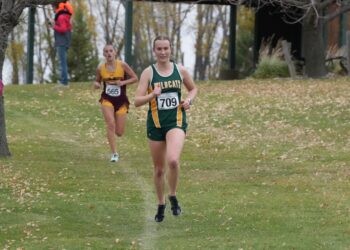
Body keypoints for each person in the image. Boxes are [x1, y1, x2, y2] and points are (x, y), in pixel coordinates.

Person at [134, 35, 198, 222]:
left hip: (176, 122)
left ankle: (173, 195)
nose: (163, 52)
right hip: (155, 125)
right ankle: (161, 204)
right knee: (159, 170)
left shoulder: (180, 71)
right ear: (154, 51)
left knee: (173, 161)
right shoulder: (149, 73)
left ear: (171, 50)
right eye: (159, 49)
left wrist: (189, 101)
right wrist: (152, 95)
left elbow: (193, 89)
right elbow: (137, 101)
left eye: (166, 48)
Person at [94, 44, 138, 162]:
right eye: (106, 51)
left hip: (121, 100)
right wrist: (97, 84)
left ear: (115, 53)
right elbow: (97, 81)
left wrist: (123, 83)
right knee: (110, 124)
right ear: (104, 54)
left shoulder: (122, 65)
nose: (109, 53)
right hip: (107, 98)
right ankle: (114, 154)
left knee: (119, 132)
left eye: (110, 51)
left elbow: (135, 78)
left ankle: (115, 117)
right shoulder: (100, 68)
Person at [50, 1, 73, 87]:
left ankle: (64, 82)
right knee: (63, 62)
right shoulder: (64, 16)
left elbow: (63, 29)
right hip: (64, 41)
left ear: (56, 7)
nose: (52, 9)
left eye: (52, 7)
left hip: (62, 42)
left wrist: (54, 26)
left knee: (62, 62)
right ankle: (64, 81)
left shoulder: (61, 17)